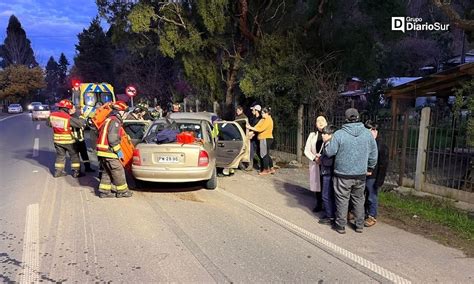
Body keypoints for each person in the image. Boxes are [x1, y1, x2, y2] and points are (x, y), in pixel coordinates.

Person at [324, 108, 378, 234]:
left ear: (346, 119)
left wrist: (327, 144)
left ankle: (341, 225)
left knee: (342, 199)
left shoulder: (339, 134)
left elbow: (330, 152)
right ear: (358, 117)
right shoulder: (367, 134)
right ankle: (359, 225)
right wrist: (370, 167)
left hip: (342, 174)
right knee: (359, 199)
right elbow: (373, 154)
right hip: (360, 174)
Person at [96, 101, 133, 198]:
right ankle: (123, 191)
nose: (126, 115)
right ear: (120, 112)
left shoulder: (108, 119)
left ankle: (104, 191)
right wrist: (118, 152)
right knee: (118, 170)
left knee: (107, 171)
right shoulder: (115, 121)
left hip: (102, 151)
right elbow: (112, 139)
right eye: (125, 112)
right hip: (109, 152)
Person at [47, 99, 86, 178]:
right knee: (74, 156)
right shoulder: (67, 117)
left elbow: (48, 124)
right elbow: (79, 124)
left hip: (57, 140)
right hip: (69, 141)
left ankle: (58, 172)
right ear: (66, 109)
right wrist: (82, 116)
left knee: (60, 156)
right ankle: (76, 172)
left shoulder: (52, 115)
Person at [364, 120, 389, 227]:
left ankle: (372, 215)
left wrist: (379, 180)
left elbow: (383, 165)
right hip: (363, 174)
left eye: (373, 130)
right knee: (361, 195)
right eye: (369, 130)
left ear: (376, 131)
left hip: (373, 176)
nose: (371, 132)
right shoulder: (364, 143)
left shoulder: (381, 146)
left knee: (371, 196)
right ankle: (362, 213)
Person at [304, 116, 328, 212]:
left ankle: (327, 205)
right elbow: (306, 149)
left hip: (326, 163)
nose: (320, 122)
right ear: (315, 124)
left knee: (326, 184)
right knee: (318, 184)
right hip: (316, 163)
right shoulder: (312, 135)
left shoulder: (331, 134)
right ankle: (319, 203)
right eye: (318, 121)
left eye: (322, 120)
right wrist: (314, 159)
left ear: (326, 122)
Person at [318, 125, 337, 225]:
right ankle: (330, 213)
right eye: (322, 133)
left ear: (330, 135)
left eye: (325, 134)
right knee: (328, 195)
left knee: (326, 195)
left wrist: (320, 160)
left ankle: (330, 216)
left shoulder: (330, 145)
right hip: (328, 172)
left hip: (328, 173)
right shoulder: (327, 144)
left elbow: (329, 160)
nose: (322, 135)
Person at [247, 107, 274, 175]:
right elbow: (257, 126)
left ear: (267, 113)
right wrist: (252, 130)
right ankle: (271, 168)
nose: (262, 114)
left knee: (263, 154)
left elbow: (260, 129)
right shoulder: (263, 119)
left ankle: (265, 169)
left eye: (263, 113)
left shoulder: (268, 119)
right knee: (266, 154)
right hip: (263, 138)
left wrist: (250, 128)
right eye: (261, 113)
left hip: (265, 138)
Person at [247, 105, 262, 171]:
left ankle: (264, 166)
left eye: (253, 110)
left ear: (257, 111)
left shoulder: (260, 119)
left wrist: (252, 133)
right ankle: (250, 165)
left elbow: (258, 129)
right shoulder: (253, 118)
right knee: (251, 151)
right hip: (252, 138)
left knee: (260, 152)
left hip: (258, 138)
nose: (252, 111)